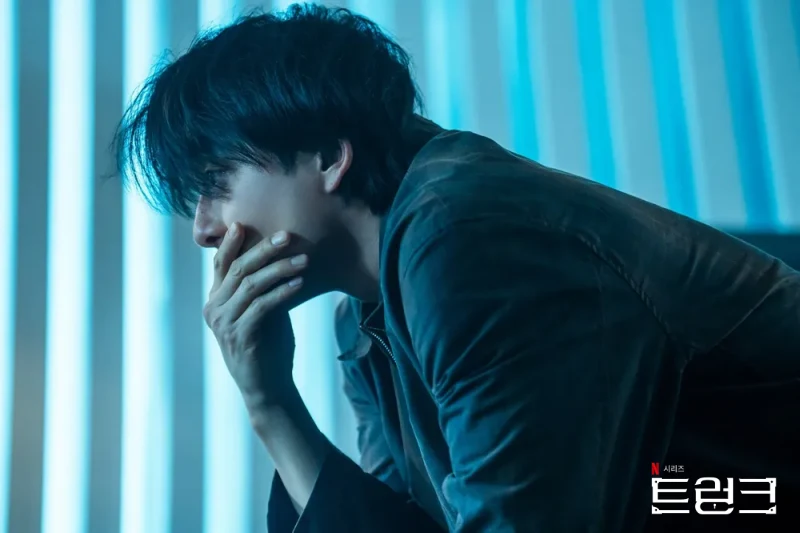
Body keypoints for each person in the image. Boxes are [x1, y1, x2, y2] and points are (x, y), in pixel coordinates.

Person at [113, 4, 800, 532]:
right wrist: (271, 403)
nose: (204, 230)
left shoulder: (463, 237)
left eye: (215, 183)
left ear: (327, 155)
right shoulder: (367, 318)